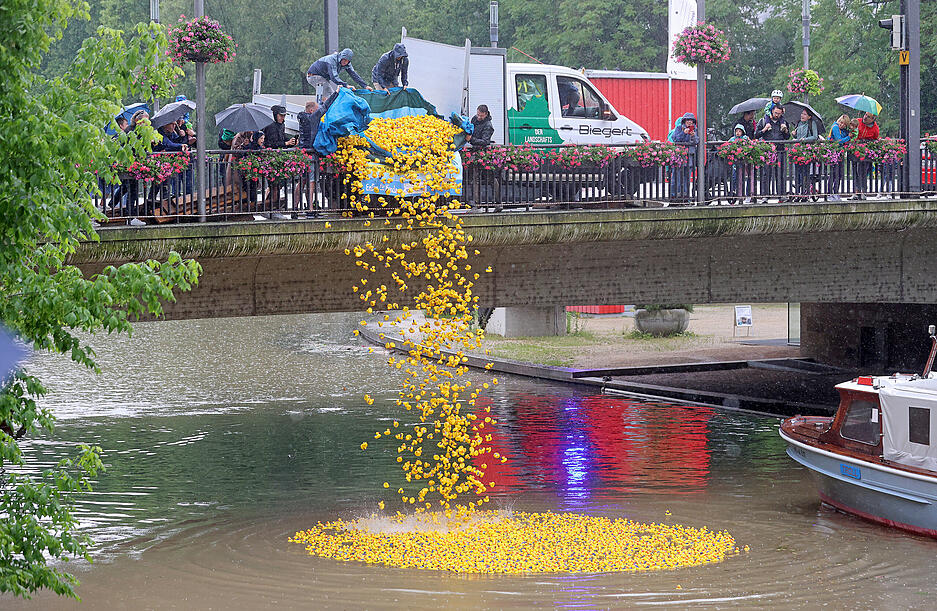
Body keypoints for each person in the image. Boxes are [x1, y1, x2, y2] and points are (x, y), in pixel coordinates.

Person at [295, 100, 327, 216]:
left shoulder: (302, 118)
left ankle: (295, 208)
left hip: (303, 153)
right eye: (316, 110)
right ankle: (310, 209)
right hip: (310, 154)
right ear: (312, 110)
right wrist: (336, 93)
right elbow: (325, 108)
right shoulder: (312, 118)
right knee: (311, 182)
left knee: (302, 181)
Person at [306, 48, 371, 101]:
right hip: (314, 76)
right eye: (343, 59)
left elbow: (354, 75)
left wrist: (365, 86)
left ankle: (322, 107)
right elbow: (334, 77)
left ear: (349, 61)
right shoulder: (331, 60)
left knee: (329, 96)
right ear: (341, 57)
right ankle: (322, 110)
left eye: (347, 60)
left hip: (322, 77)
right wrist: (346, 85)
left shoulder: (348, 64)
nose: (344, 61)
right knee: (330, 95)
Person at [755, 105, 789, 201]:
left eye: (779, 113)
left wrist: (786, 130)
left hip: (780, 151)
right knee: (766, 173)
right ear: (772, 112)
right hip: (767, 151)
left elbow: (787, 137)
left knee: (780, 173)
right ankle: (765, 195)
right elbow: (756, 135)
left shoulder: (784, 122)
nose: (777, 115)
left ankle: (781, 195)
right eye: (775, 113)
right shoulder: (763, 121)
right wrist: (764, 129)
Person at [791, 108, 821, 202]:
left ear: (809, 117)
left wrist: (805, 139)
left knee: (805, 173)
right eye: (802, 114)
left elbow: (815, 136)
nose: (802, 115)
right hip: (798, 150)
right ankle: (798, 194)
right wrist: (794, 134)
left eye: (804, 114)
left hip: (807, 151)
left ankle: (805, 194)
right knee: (798, 173)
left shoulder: (812, 123)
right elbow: (798, 136)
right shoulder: (799, 123)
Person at [669, 112, 698, 201]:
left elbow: (697, 141)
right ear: (684, 121)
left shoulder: (695, 129)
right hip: (680, 156)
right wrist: (684, 133)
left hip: (689, 156)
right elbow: (675, 139)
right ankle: (675, 196)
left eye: (691, 120)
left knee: (687, 177)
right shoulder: (679, 128)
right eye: (688, 120)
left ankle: (685, 196)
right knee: (676, 176)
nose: (689, 122)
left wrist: (693, 136)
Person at [852, 111, 880, 200]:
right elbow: (852, 130)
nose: (865, 117)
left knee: (863, 172)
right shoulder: (858, 121)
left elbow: (875, 139)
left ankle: (863, 192)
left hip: (866, 154)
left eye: (868, 117)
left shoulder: (875, 128)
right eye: (865, 115)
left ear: (872, 119)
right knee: (855, 172)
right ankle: (856, 192)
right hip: (855, 151)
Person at [827, 114, 852, 201]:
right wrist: (848, 137)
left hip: (840, 153)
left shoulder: (844, 130)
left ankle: (836, 192)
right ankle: (829, 193)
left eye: (844, 124)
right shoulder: (835, 127)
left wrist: (850, 133)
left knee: (840, 174)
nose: (842, 125)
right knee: (833, 174)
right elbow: (839, 140)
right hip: (833, 153)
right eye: (841, 122)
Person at [727, 123, 750, 203]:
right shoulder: (732, 139)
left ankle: (742, 194)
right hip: (734, 163)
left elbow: (750, 145)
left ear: (742, 132)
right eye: (736, 131)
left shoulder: (745, 139)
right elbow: (727, 145)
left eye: (740, 131)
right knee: (734, 177)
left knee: (742, 178)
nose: (738, 133)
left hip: (743, 162)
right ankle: (733, 192)